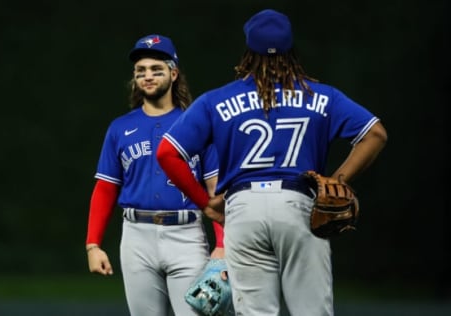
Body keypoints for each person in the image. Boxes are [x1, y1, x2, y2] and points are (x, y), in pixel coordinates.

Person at [156, 9, 387, 316]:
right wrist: (338, 180)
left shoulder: (217, 100)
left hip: (244, 208)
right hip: (299, 206)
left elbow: (166, 153)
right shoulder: (322, 95)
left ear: (248, 52)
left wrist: (206, 203)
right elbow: (376, 134)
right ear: (291, 50)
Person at [85, 34, 225, 316]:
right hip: (137, 237)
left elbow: (216, 192)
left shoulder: (197, 124)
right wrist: (93, 245)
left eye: (156, 69)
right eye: (141, 71)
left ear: (173, 74)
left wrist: (222, 245)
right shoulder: (120, 128)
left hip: (186, 235)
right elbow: (105, 189)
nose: (147, 76)